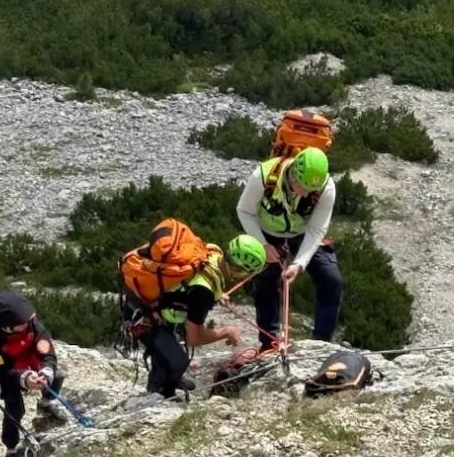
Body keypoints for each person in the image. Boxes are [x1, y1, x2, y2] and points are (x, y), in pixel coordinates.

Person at [236, 142, 342, 349]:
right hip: (267, 231)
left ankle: (321, 343)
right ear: (292, 174)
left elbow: (317, 229)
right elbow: (245, 211)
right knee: (266, 280)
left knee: (331, 279)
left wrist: (299, 264)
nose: (306, 194)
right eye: (303, 187)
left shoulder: (326, 188)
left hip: (303, 232)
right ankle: (269, 342)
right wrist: (263, 245)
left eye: (311, 190)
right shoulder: (264, 175)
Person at [137, 233, 268, 397]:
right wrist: (226, 332)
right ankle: (160, 391)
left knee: (173, 351)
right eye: (246, 274)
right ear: (238, 269)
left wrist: (218, 294)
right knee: (179, 362)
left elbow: (198, 281)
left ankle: (170, 376)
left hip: (158, 306)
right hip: (147, 315)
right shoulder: (203, 292)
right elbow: (194, 338)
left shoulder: (214, 252)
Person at [0, 288, 65, 457]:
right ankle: (11, 448)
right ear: (7, 326)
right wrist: (24, 378)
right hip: (12, 371)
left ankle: (46, 404)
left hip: (31, 357)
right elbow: (1, 372)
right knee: (14, 408)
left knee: (56, 375)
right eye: (22, 322)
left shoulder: (31, 323)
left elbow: (47, 350)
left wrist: (45, 371)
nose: (28, 322)